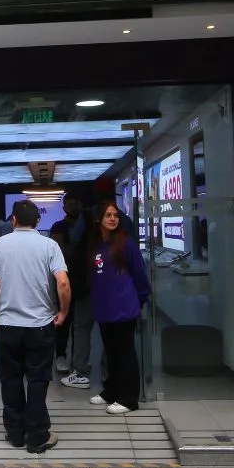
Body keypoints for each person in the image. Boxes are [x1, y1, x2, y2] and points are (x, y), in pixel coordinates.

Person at [0, 199, 71, 454]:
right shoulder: (49, 245)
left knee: (10, 379)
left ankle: (15, 434)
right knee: (37, 381)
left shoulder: (0, 245)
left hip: (9, 325)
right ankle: (36, 436)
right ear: (37, 221)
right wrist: (63, 311)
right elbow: (63, 283)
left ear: (13, 220)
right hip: (40, 326)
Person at [61, 175, 135, 390]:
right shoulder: (123, 218)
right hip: (115, 286)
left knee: (82, 326)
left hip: (88, 283)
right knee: (111, 331)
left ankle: (81, 372)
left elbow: (75, 244)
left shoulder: (86, 217)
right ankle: (108, 372)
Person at [87, 200, 151, 414]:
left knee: (125, 353)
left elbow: (140, 277)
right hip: (104, 310)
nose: (113, 218)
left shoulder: (127, 243)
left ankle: (129, 398)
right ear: (99, 219)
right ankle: (111, 391)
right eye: (108, 215)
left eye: (115, 215)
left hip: (124, 309)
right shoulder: (96, 244)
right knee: (111, 353)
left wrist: (139, 300)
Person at [49, 193, 82, 374]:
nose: (75, 207)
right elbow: (61, 250)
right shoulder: (59, 226)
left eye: (77, 203)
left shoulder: (87, 225)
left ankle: (78, 358)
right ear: (64, 208)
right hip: (65, 279)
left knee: (81, 324)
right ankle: (60, 356)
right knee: (64, 321)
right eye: (71, 204)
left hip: (85, 282)